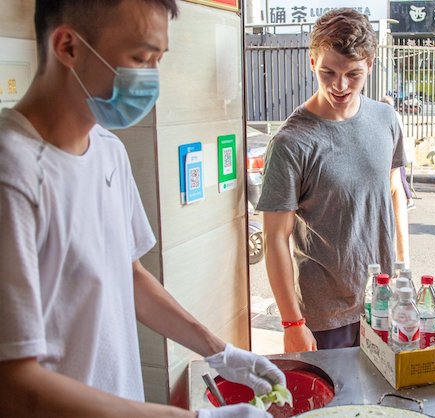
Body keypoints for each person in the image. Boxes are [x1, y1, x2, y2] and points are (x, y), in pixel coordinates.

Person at [0, 1, 284, 417]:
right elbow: (15, 384)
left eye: (158, 60)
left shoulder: (109, 153)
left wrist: (220, 352)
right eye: (139, 58)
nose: (150, 79)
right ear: (68, 46)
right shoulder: (13, 174)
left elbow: (128, 274)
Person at [257, 9, 407, 352]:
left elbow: (394, 191)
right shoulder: (291, 143)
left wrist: (404, 270)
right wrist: (292, 323)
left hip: (384, 303)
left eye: (353, 74)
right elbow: (275, 238)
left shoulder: (385, 119)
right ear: (312, 62)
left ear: (370, 64)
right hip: (325, 318)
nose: (340, 86)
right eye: (328, 72)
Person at [380, 95, 415, 211]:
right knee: (399, 176)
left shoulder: (390, 116)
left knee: (399, 177)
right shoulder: (395, 115)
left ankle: (409, 199)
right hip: (396, 149)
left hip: (395, 150)